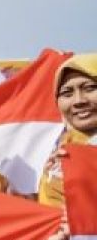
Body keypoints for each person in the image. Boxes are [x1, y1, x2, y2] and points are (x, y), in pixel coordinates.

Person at [39, 53, 97, 208]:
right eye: (66, 93)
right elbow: (49, 220)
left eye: (90, 88)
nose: (79, 101)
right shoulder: (58, 163)